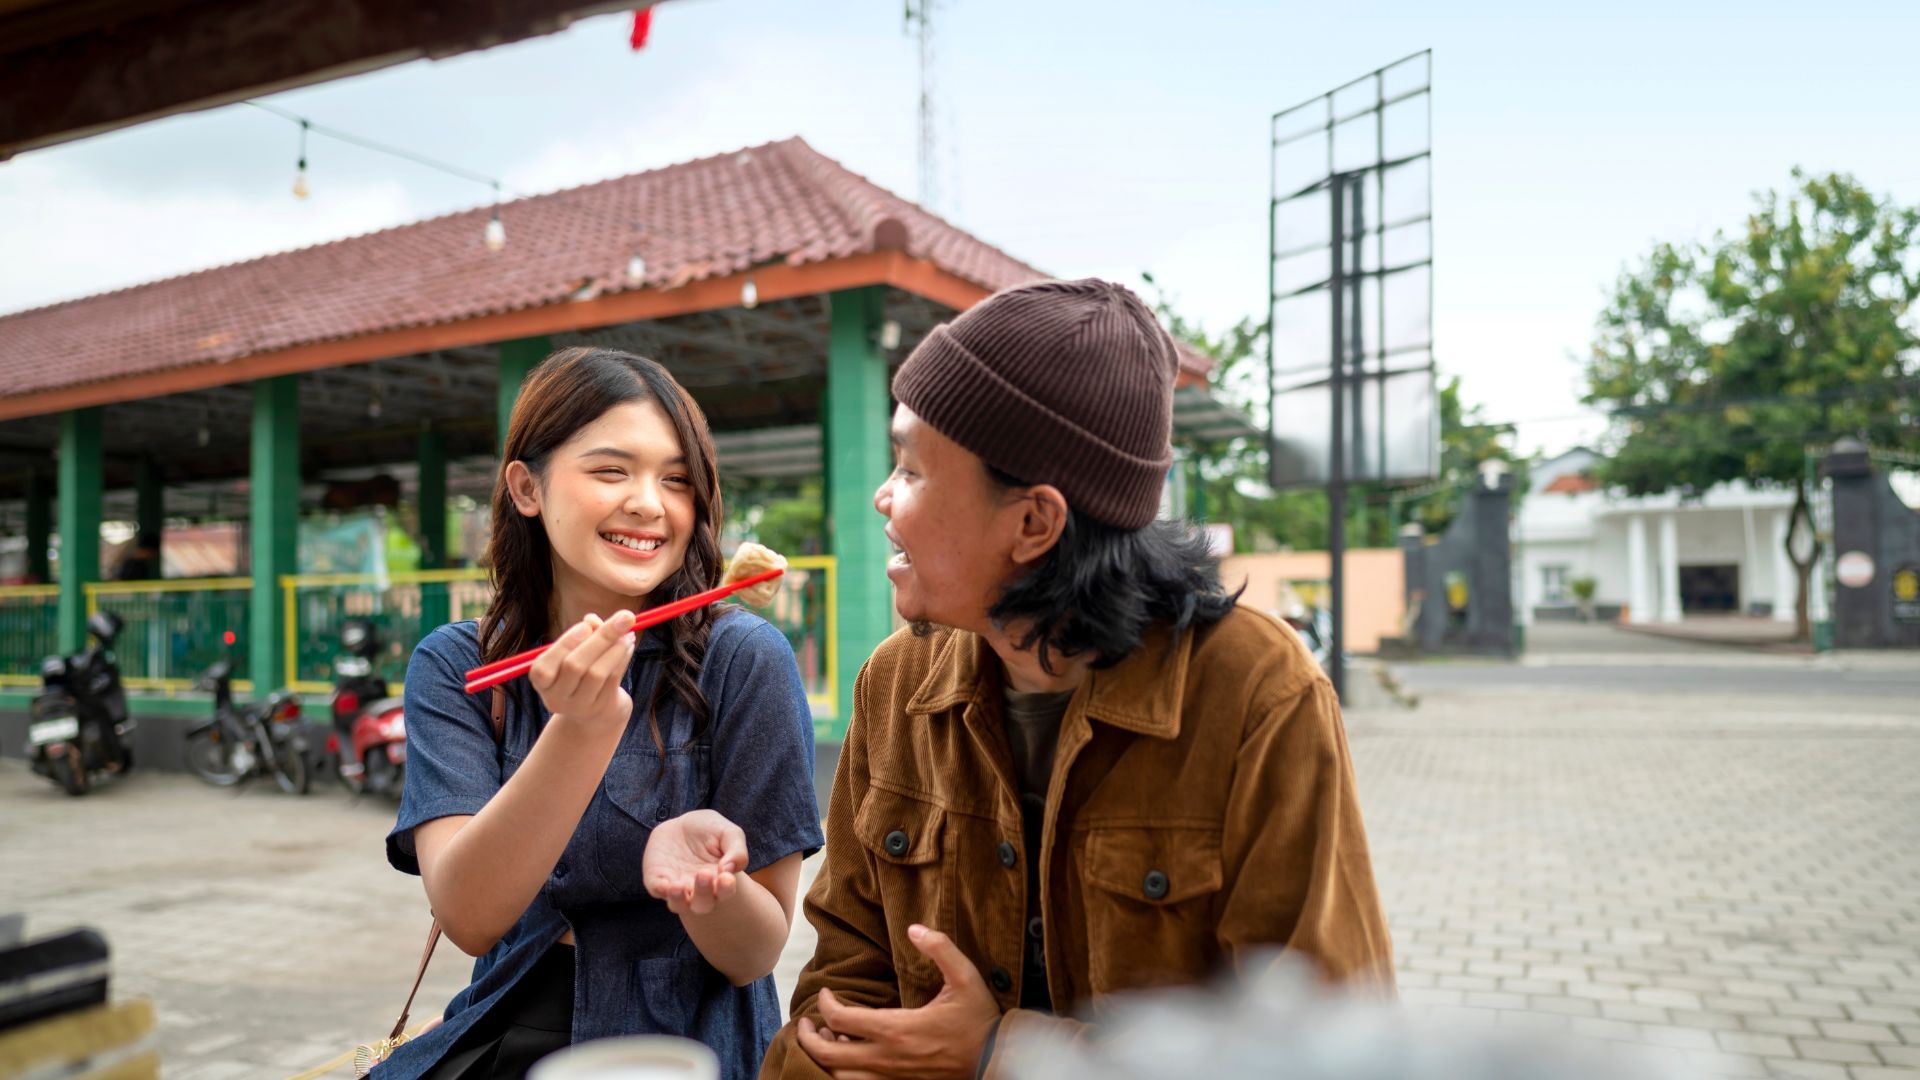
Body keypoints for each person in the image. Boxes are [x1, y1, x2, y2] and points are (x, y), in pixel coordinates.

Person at [760, 280, 1393, 1080]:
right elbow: (837, 993)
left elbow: (1328, 1046)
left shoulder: (1257, 693)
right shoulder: (897, 681)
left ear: (1034, 523)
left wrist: (1010, 1052)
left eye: (912, 470)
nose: (884, 497)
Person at [380, 347, 824, 1080]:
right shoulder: (459, 666)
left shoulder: (746, 659)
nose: (649, 503)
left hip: (688, 1046)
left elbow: (754, 954)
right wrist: (579, 730)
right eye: (612, 471)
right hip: (506, 1025)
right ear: (527, 487)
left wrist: (704, 888)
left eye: (677, 480)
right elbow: (469, 915)